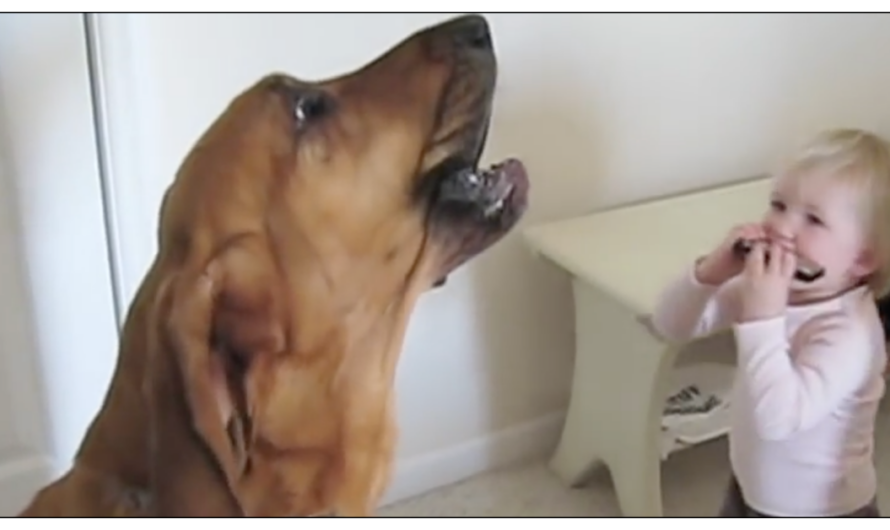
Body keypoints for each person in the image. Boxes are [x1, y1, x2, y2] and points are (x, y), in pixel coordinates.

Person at [651, 128, 890, 517]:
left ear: (862, 258)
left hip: (823, 512)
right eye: (779, 205)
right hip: (751, 487)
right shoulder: (770, 289)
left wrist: (763, 316)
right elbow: (670, 324)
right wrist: (709, 273)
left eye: (813, 219)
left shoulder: (850, 334)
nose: (781, 227)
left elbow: (779, 419)